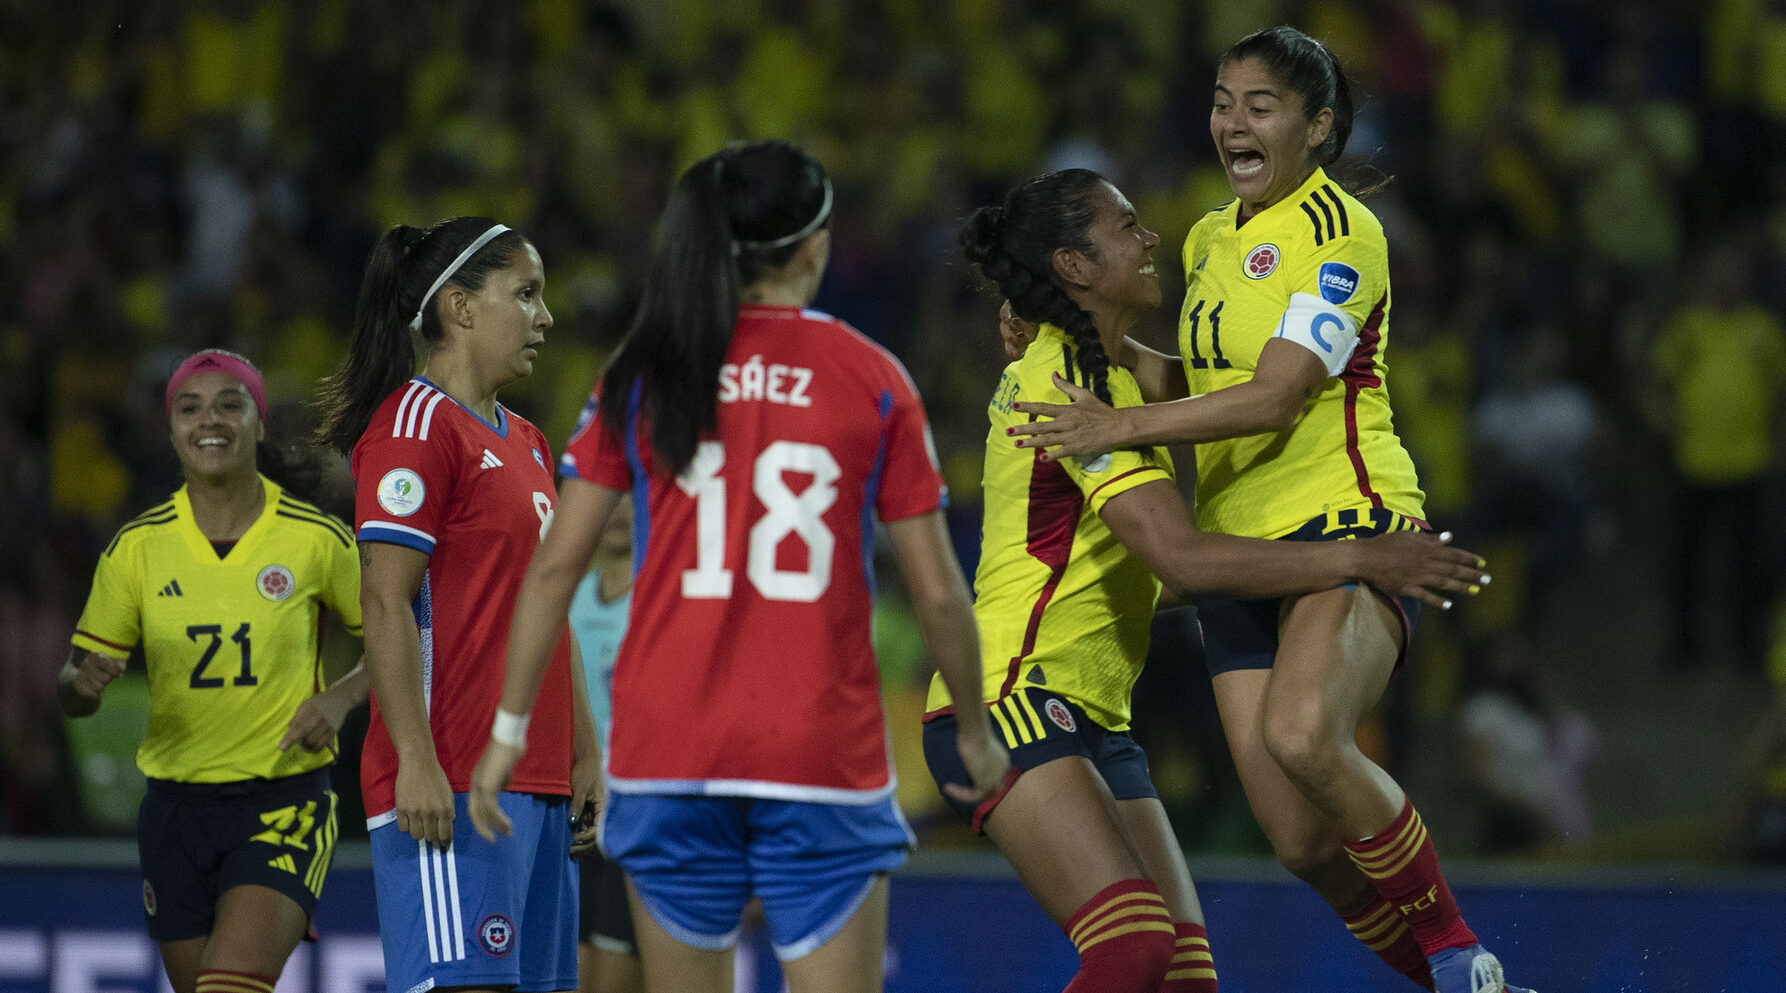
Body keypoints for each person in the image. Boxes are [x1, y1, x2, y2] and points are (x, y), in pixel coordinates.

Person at [1005, 27, 1534, 993]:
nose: (1231, 123)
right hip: (1239, 554)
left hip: (1346, 524)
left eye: (1260, 105)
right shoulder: (1210, 236)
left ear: (1317, 125)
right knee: (1298, 841)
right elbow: (1199, 380)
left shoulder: (1344, 233)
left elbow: (1278, 393)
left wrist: (1118, 429)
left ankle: (1463, 957)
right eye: (1220, 101)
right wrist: (1087, 338)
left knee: (1302, 735)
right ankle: (1465, 987)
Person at [465, 139, 1009, 993]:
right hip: (818, 753)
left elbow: (551, 569)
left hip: (668, 750)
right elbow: (938, 592)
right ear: (814, 247)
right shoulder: (872, 377)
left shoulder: (643, 374)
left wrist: (505, 734)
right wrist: (974, 731)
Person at [930, 169, 1490, 993]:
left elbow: (1174, 548)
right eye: (1125, 225)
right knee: (1132, 951)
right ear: (1075, 267)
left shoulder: (1109, 376)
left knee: (1185, 978)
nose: (1149, 234)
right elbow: (1185, 556)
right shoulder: (1065, 387)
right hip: (1012, 694)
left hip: (1091, 716)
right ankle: (1458, 962)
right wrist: (1360, 557)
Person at [315, 217, 601, 993]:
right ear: (461, 308)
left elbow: (547, 606)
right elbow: (384, 600)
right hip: (452, 780)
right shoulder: (414, 427)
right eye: (527, 294)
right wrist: (414, 758)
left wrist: (585, 749)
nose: (545, 317)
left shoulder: (533, 443)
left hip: (536, 786)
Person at [58, 349, 367, 993]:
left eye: (231, 403)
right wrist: (80, 684)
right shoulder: (137, 549)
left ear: (258, 422)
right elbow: (72, 690)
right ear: (172, 429)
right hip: (174, 811)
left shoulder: (315, 538)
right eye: (190, 406)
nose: (211, 418)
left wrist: (339, 699)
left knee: (228, 986)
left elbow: (406, 639)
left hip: (283, 800)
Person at [566, 495, 642, 993]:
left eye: (629, 493)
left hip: (638, 819)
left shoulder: (667, 600)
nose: (615, 508)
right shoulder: (566, 599)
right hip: (575, 817)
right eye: (607, 494)